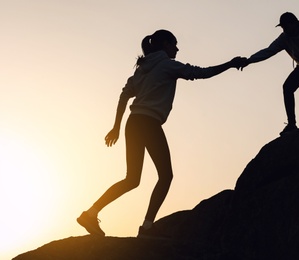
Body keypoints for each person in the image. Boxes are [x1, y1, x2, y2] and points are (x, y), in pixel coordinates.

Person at [77, 29, 244, 238]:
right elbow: (200, 73)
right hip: (149, 123)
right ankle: (147, 227)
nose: (177, 48)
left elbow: (124, 95)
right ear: (165, 44)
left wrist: (117, 126)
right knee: (166, 176)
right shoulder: (167, 65)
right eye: (174, 44)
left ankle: (90, 213)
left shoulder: (142, 69)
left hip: (133, 123)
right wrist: (229, 64)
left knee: (132, 179)